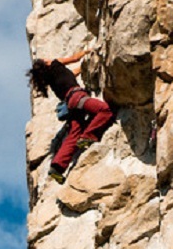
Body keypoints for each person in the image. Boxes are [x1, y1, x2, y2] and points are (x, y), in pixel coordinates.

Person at [27, 50, 114, 184]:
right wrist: (87, 51)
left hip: (71, 104)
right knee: (105, 110)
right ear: (46, 63)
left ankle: (57, 167)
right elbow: (74, 58)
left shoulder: (53, 81)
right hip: (77, 97)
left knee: (74, 134)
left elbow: (74, 72)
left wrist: (86, 65)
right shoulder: (55, 64)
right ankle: (88, 136)